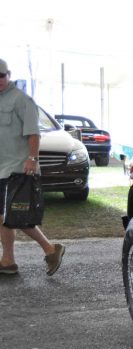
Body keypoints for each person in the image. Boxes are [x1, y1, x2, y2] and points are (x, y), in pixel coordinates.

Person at [0, 58, 65, 275]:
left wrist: (33, 159)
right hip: (1, 168)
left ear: (9, 75)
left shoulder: (22, 100)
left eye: (2, 76)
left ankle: (47, 250)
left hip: (18, 168)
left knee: (14, 216)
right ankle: (10, 260)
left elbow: (34, 133)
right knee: (4, 216)